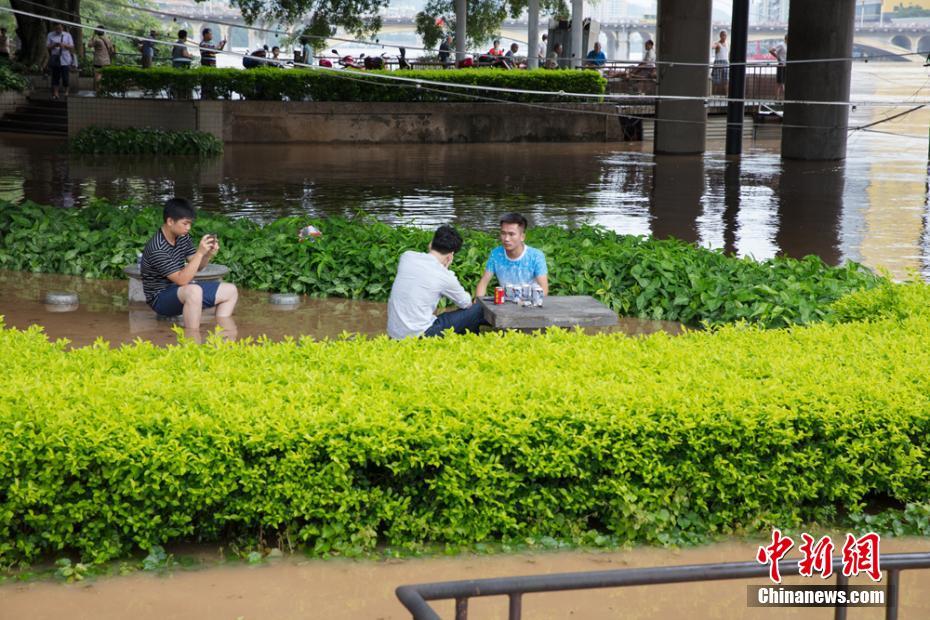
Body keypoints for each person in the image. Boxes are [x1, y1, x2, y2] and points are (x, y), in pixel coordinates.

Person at [140, 198, 238, 332]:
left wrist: (207, 254)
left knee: (230, 291)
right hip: (160, 298)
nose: (188, 228)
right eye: (185, 224)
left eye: (190, 224)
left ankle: (222, 335)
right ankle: (192, 340)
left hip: (182, 289)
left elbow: (198, 266)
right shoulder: (157, 248)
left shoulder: (182, 236)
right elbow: (182, 279)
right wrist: (200, 253)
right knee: (194, 291)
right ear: (170, 221)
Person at [387, 225, 486, 339]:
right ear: (451, 256)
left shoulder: (407, 256)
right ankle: (472, 341)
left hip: (394, 334)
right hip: (422, 335)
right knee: (477, 309)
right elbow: (466, 303)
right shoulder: (445, 276)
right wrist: (445, 269)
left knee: (442, 316)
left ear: (431, 243)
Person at [475, 213, 549, 298]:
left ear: (522, 237)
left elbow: (544, 290)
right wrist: (478, 302)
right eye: (503, 233)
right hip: (505, 304)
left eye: (511, 234)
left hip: (530, 305)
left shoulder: (536, 256)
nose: (506, 239)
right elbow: (483, 283)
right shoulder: (496, 254)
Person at [45, 22, 74, 100]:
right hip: (55, 59)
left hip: (65, 59)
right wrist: (55, 45)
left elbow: (71, 46)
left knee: (65, 77)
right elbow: (47, 46)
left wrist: (64, 45)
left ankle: (67, 92)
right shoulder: (50, 35)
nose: (59, 30)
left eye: (60, 28)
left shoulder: (67, 35)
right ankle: (55, 93)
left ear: (63, 28)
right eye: (57, 28)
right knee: (55, 77)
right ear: (54, 28)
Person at [89, 27, 114, 92]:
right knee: (105, 75)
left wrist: (93, 36)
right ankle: (105, 89)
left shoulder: (97, 40)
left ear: (96, 32)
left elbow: (89, 45)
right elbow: (112, 50)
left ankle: (98, 90)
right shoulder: (108, 39)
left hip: (98, 61)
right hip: (107, 61)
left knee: (98, 75)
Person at [769, 35, 787, 100]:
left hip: (786, 65)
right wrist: (778, 58)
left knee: (783, 82)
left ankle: (780, 98)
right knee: (780, 82)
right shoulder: (781, 45)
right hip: (781, 64)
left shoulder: (787, 45)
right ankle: (776, 98)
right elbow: (771, 50)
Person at [712, 30, 729, 94]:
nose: (724, 36)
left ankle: (727, 95)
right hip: (718, 62)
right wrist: (714, 45)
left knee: (726, 79)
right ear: (720, 36)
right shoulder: (718, 43)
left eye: (725, 35)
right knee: (716, 80)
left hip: (726, 62)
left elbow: (727, 54)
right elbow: (712, 46)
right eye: (722, 35)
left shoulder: (727, 43)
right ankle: (713, 96)